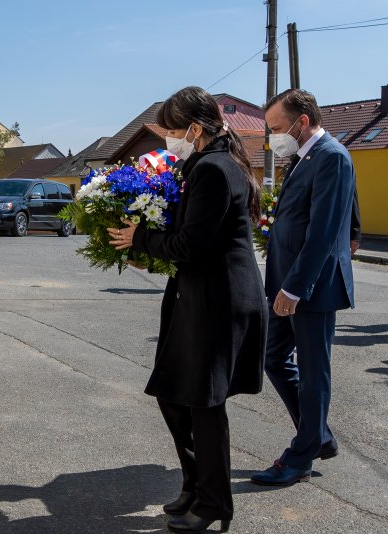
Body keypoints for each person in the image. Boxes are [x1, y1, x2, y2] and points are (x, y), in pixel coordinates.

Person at [109, 86, 267, 533]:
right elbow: (187, 239)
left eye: (174, 131)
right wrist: (147, 243)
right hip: (197, 296)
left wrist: (139, 237)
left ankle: (215, 502)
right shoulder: (204, 165)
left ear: (196, 129)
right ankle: (195, 483)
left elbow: (191, 246)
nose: (168, 140)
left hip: (219, 300)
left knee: (203, 402)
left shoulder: (215, 169)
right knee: (172, 392)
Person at [253, 88, 356, 487]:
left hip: (309, 287)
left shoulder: (331, 157)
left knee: (314, 372)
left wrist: (294, 289)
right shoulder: (305, 157)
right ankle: (320, 437)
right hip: (287, 282)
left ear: (302, 122)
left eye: (277, 128)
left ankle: (301, 454)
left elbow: (324, 231)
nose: (272, 136)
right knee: (273, 357)